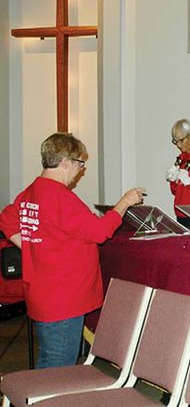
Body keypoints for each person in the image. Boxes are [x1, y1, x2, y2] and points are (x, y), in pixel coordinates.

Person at [0, 133, 144, 368]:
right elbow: (99, 232)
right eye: (80, 163)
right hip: (64, 297)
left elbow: (7, 219)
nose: (81, 170)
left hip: (44, 293)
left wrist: (32, 244)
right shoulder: (60, 197)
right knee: (58, 367)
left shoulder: (32, 191)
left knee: (49, 358)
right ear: (65, 162)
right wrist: (124, 202)